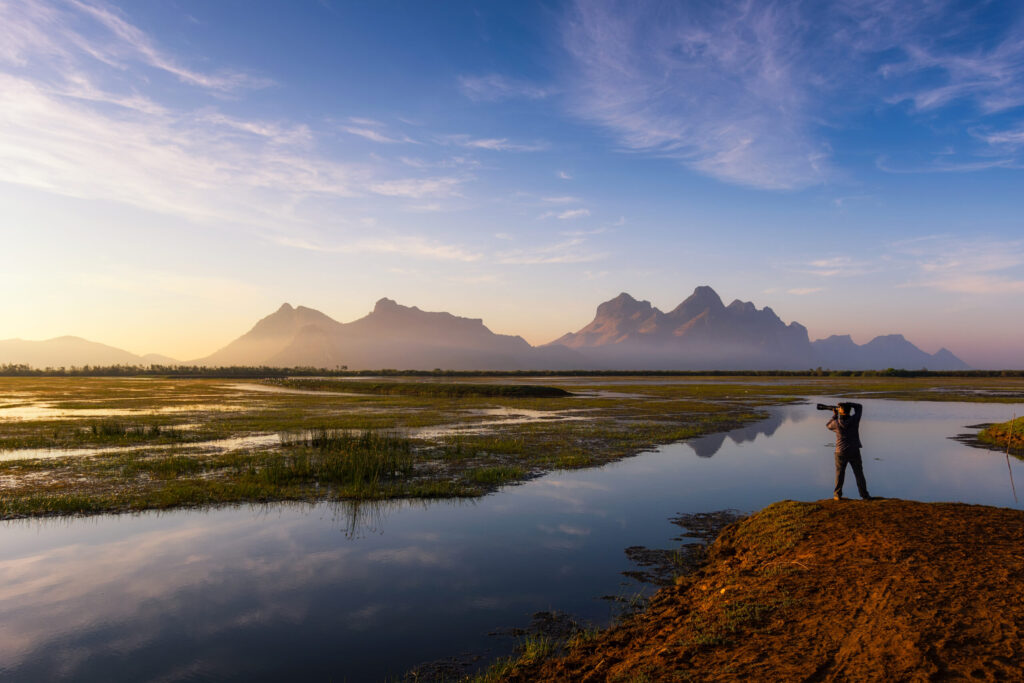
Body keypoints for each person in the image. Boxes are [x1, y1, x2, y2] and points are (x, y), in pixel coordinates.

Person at [827, 402, 871, 500]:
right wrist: (848, 404)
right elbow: (860, 406)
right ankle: (864, 495)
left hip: (840, 451)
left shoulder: (837, 423)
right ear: (849, 410)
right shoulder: (854, 420)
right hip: (854, 450)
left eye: (839, 408)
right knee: (859, 473)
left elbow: (828, 426)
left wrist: (835, 415)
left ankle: (837, 495)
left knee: (840, 473)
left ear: (841, 411)